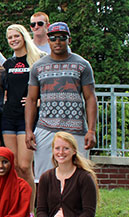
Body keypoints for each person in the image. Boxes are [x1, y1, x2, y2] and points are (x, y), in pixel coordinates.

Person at [25, 22, 97, 184]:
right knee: (44, 177)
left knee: (79, 176)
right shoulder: (38, 67)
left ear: (69, 40)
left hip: (76, 128)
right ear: (48, 40)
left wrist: (91, 130)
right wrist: (29, 130)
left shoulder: (82, 65)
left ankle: (77, 209)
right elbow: (31, 99)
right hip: (45, 127)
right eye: (53, 38)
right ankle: (47, 209)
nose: (57, 42)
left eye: (62, 38)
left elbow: (90, 98)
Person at [3, 24, 46, 217]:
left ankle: (30, 214)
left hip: (27, 119)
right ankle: (16, 211)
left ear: (24, 36)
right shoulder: (8, 63)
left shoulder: (38, 59)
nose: (13, 39)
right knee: (12, 167)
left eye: (16, 36)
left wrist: (37, 102)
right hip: (8, 118)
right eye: (9, 37)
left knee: (24, 165)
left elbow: (46, 86)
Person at [27, 132, 98, 217]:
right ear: (53, 150)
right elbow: (41, 210)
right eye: (57, 148)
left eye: (66, 148)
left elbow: (88, 214)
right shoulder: (46, 177)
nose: (61, 152)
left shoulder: (84, 178)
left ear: (74, 151)